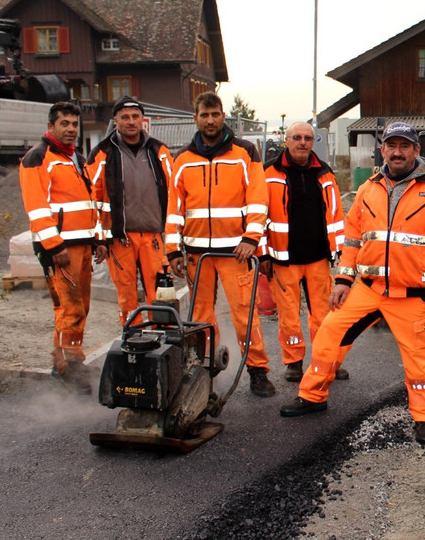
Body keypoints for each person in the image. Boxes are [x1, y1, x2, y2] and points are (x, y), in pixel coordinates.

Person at [280, 122, 425, 445]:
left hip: (412, 296)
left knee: (420, 360)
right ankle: (312, 396)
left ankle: (423, 418)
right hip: (368, 288)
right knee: (329, 337)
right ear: (383, 150)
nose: (397, 152)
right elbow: (353, 240)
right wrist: (344, 279)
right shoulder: (368, 189)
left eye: (404, 146)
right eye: (391, 145)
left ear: (416, 151)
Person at [164, 92, 276, 398]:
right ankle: (204, 370)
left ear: (223, 115)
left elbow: (257, 198)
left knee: (244, 313)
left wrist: (251, 238)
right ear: (195, 117)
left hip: (235, 253)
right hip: (197, 254)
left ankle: (257, 370)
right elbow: (174, 208)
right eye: (204, 115)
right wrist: (173, 249)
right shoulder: (183, 160)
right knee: (200, 315)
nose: (210, 120)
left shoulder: (245, 152)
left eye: (215, 114)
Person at [258, 121, 350, 383]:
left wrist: (339, 250)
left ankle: (325, 360)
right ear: (286, 140)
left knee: (324, 314)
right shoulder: (269, 173)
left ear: (313, 142)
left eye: (307, 138)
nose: (302, 142)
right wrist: (263, 254)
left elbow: (336, 216)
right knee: (288, 315)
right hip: (283, 258)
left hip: (318, 257)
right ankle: (294, 362)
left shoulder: (324, 173)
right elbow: (258, 217)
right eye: (296, 137)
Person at [19, 101, 100, 393]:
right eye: (64, 123)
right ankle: (70, 370)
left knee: (81, 307)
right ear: (51, 125)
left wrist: (96, 239)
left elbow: (88, 202)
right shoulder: (38, 158)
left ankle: (67, 363)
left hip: (82, 243)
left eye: (74, 124)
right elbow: (37, 206)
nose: (71, 129)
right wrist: (54, 246)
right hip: (60, 248)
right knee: (70, 309)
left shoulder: (75, 157)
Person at [87, 96, 172, 326]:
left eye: (135, 117)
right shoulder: (102, 153)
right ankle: (133, 339)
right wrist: (100, 239)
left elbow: (175, 194)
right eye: (125, 117)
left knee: (160, 293)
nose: (131, 122)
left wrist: (174, 236)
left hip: (154, 238)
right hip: (119, 240)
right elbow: (91, 199)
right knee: (127, 295)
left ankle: (161, 337)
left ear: (143, 120)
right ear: (115, 121)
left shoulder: (159, 151)